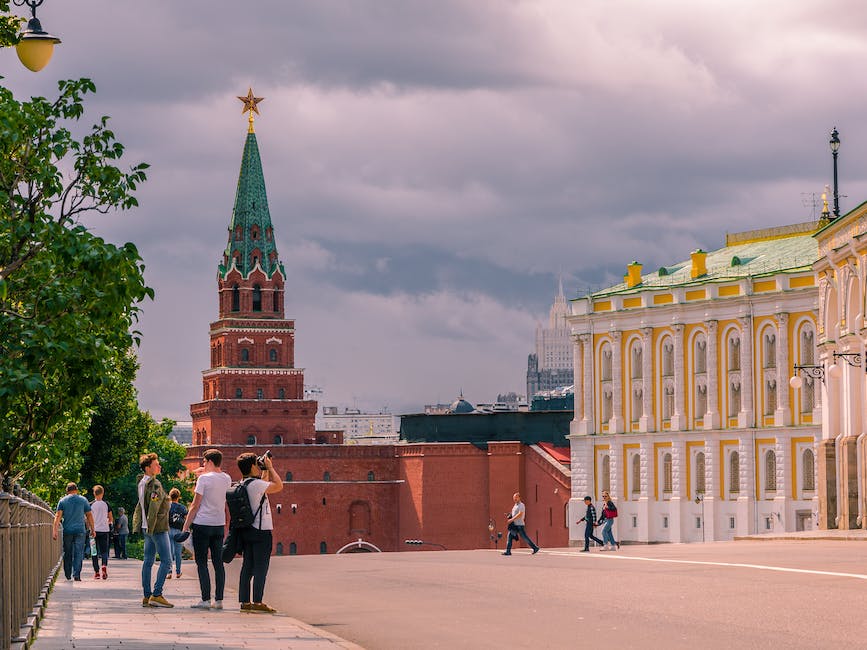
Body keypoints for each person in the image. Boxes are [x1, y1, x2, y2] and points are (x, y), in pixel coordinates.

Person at [182, 448, 232, 609]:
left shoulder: (203, 480)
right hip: (218, 524)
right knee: (218, 563)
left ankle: (205, 599)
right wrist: (205, 472)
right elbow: (217, 478)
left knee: (202, 562)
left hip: (202, 524)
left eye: (204, 462)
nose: (203, 464)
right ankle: (219, 600)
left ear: (210, 462)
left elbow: (195, 505)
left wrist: (185, 527)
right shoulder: (227, 478)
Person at [236, 451, 283, 612]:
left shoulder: (244, 483)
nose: (259, 465)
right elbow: (278, 486)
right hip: (261, 531)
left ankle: (245, 601)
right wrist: (270, 467)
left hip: (247, 530)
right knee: (261, 567)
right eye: (257, 463)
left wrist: (264, 471)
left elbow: (262, 485)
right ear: (251, 466)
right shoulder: (256, 485)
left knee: (247, 566)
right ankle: (257, 602)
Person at [132, 452, 173, 607]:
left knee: (148, 561)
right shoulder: (155, 485)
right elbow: (154, 508)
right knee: (167, 561)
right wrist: (152, 527)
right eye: (156, 464)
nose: (159, 466)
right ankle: (157, 594)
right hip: (157, 528)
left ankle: (146, 595)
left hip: (146, 527)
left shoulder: (141, 482)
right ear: (148, 468)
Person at [52, 482, 95, 581]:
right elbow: (89, 515)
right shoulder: (83, 500)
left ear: (67, 491)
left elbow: (58, 516)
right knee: (79, 552)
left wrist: (54, 531)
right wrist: (93, 529)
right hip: (80, 530)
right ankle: (76, 574)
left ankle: (67, 574)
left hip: (67, 530)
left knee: (67, 552)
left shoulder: (62, 501)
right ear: (76, 490)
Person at [89, 485, 114, 579]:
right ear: (102, 493)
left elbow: (88, 518)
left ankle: (96, 572)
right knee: (104, 551)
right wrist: (107, 523)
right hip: (104, 531)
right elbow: (111, 518)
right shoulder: (106, 504)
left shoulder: (90, 505)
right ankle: (104, 565)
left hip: (93, 531)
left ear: (94, 493)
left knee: (94, 552)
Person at [167, 488, 188, 579]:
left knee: (169, 552)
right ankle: (178, 572)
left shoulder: (167, 506)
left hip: (168, 530)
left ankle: (169, 572)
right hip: (179, 531)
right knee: (178, 553)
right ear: (178, 497)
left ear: (170, 496)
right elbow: (186, 518)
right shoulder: (182, 507)